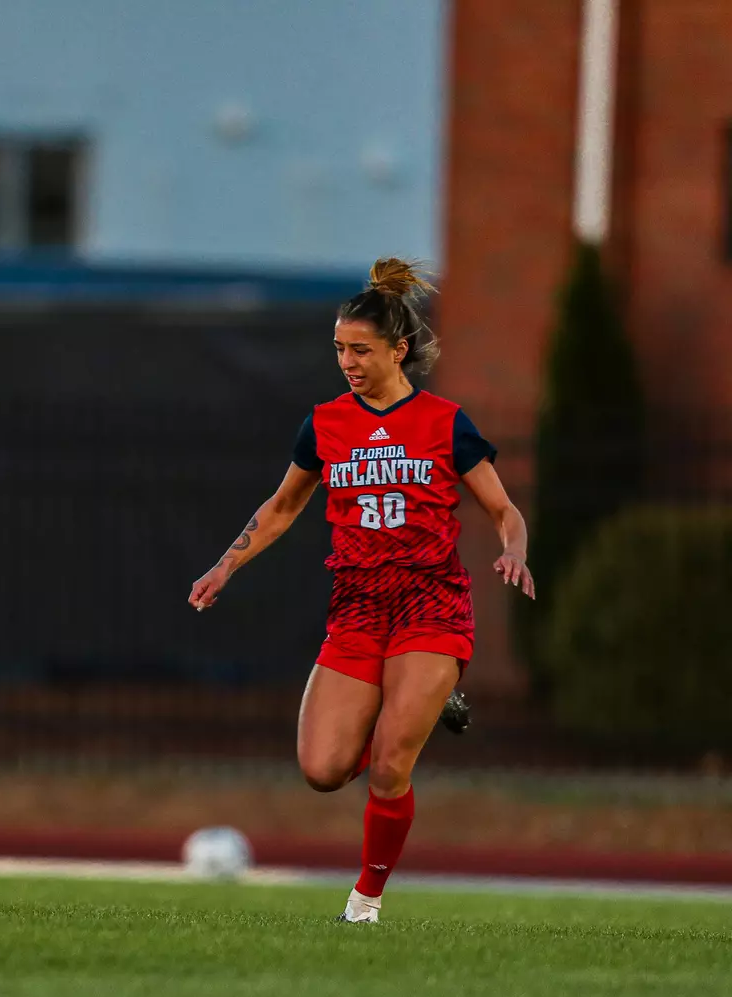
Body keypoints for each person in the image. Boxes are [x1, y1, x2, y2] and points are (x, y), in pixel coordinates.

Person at [188, 259, 534, 923]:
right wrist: (225, 565)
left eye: (359, 350)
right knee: (322, 769)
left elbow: (502, 510)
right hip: (356, 608)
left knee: (387, 765)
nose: (346, 361)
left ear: (398, 350)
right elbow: (284, 506)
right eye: (339, 349)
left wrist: (513, 550)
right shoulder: (324, 423)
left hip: (429, 603)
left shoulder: (443, 421)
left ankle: (365, 898)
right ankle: (425, 708)